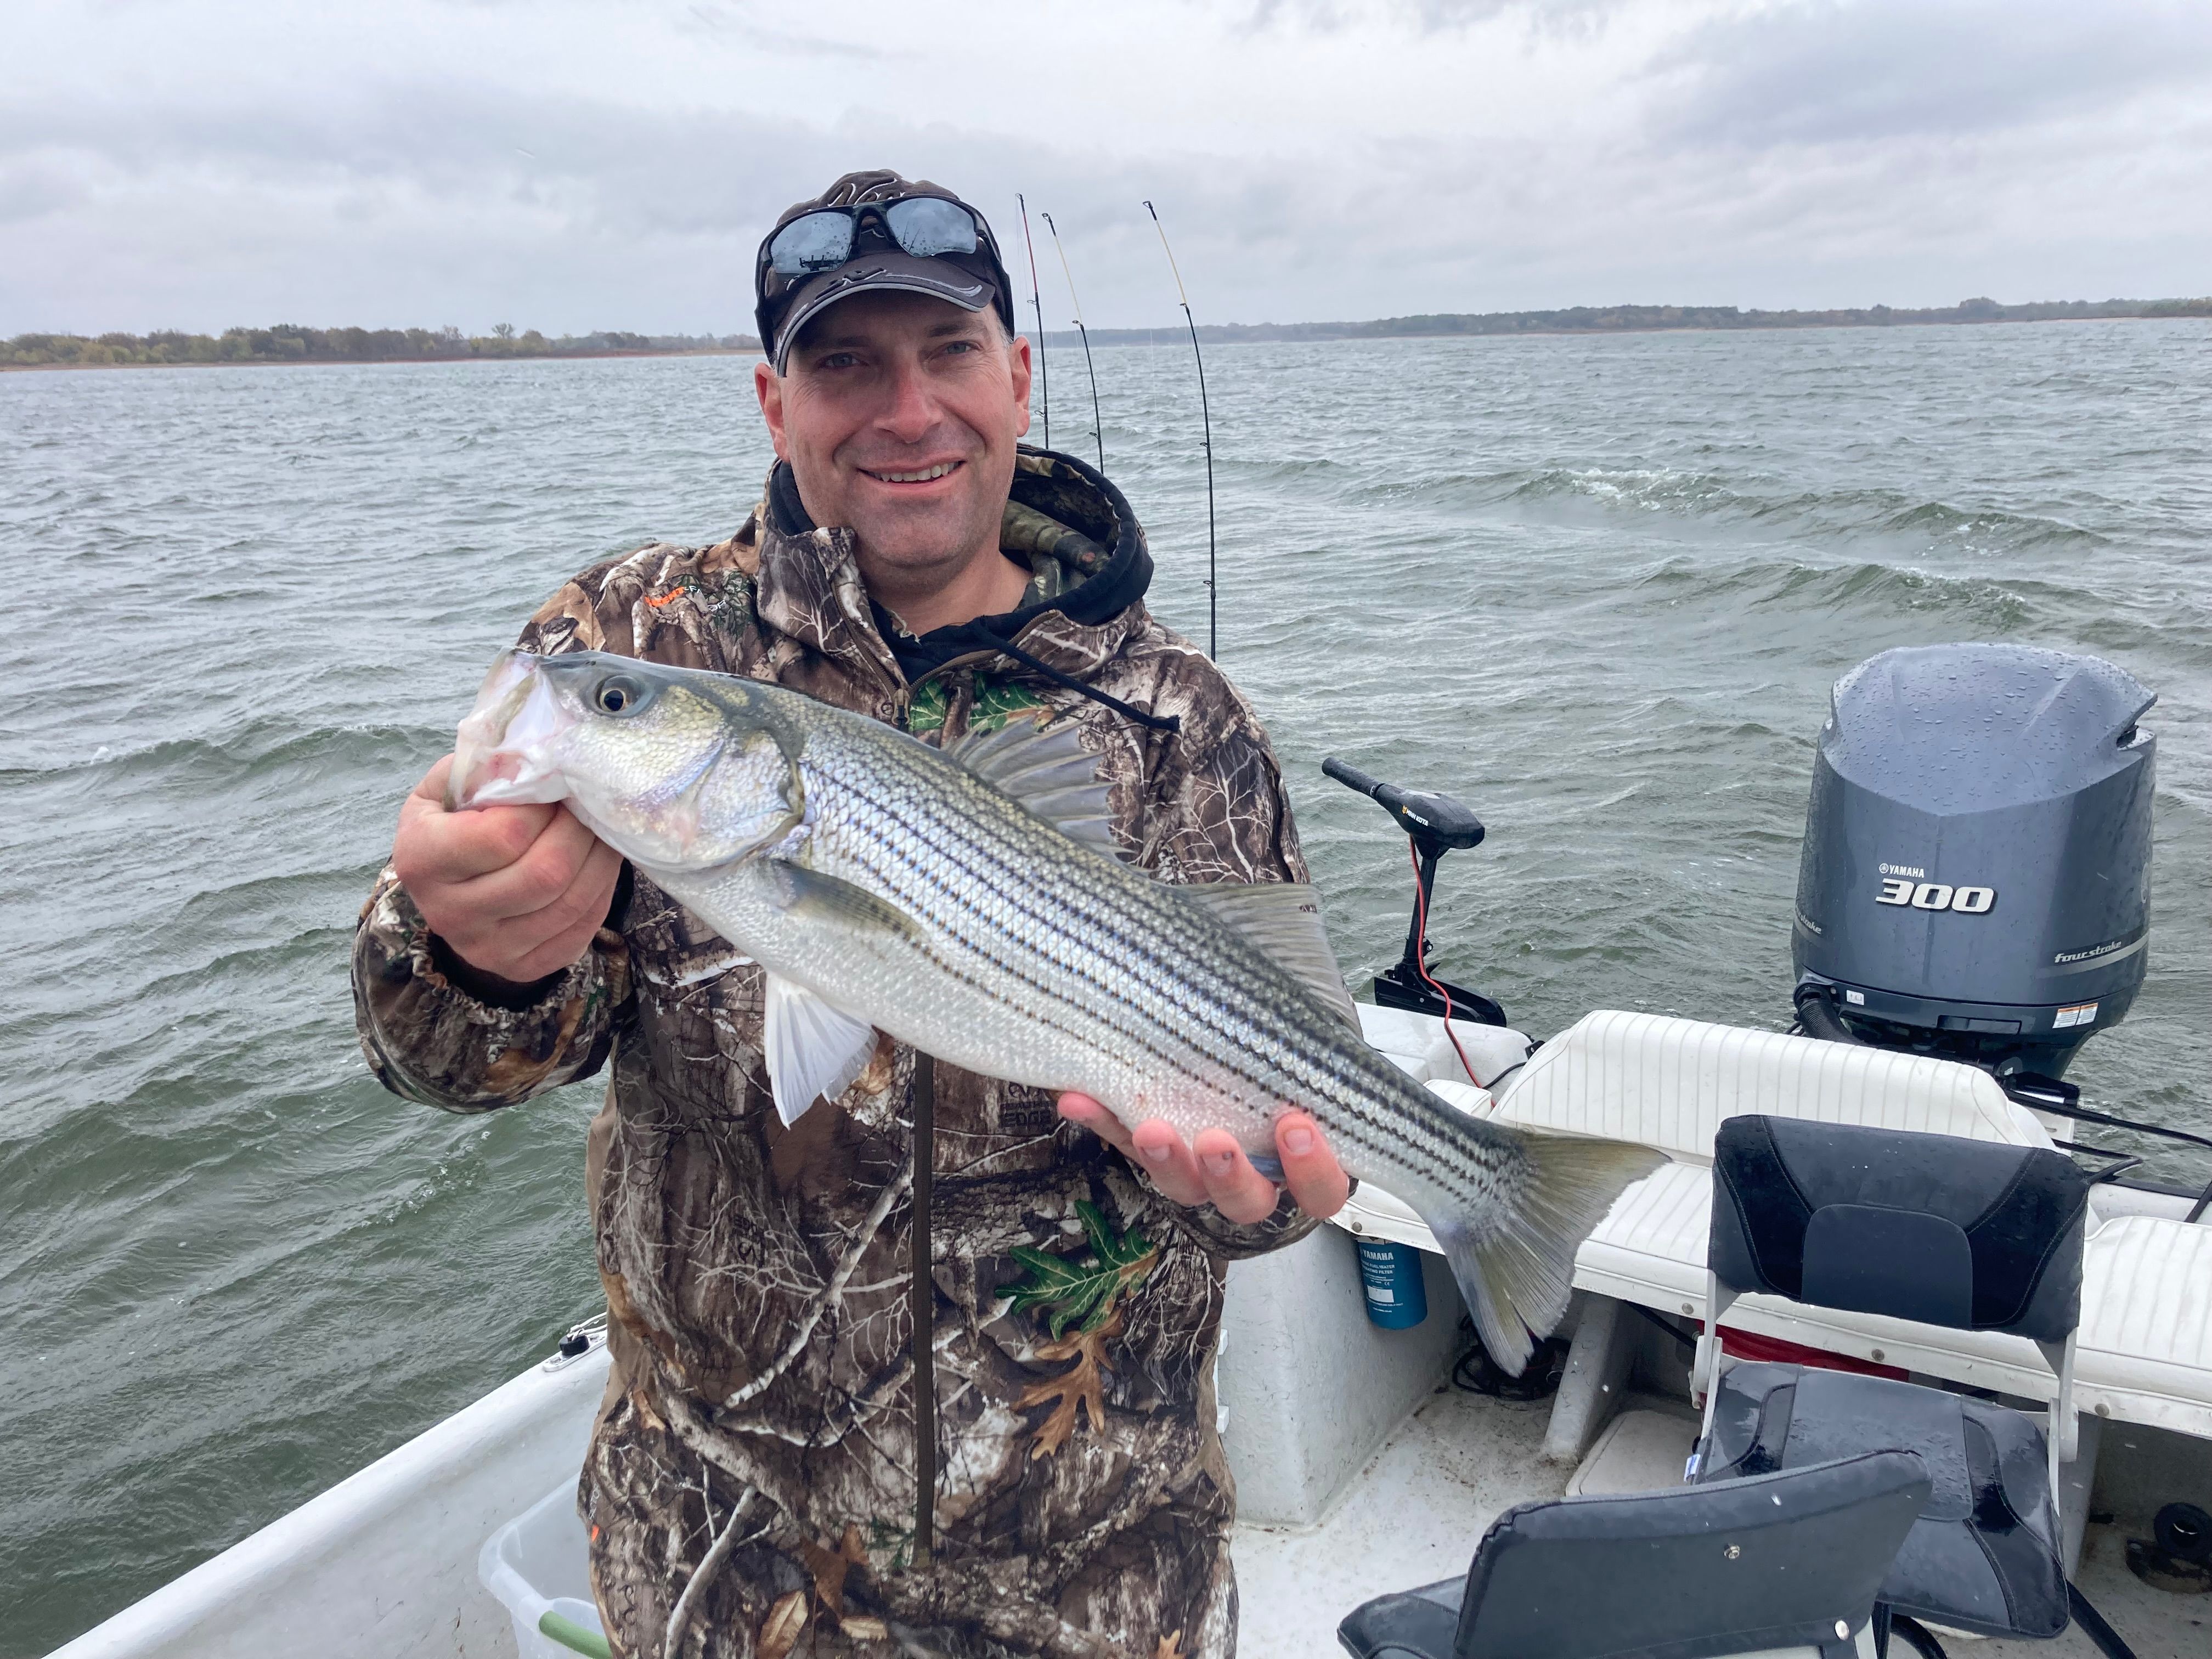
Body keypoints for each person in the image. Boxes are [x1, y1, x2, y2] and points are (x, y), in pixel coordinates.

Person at [353, 169, 1349, 1659]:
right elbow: (435, 1058)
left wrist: (1258, 1195)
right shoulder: (631, 644)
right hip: (728, 1573)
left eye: (947, 354)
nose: (907, 412)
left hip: (1103, 1581)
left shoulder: (1181, 720)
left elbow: (1263, 1138)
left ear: (1017, 377)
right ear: (772, 402)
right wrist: (469, 963)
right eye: (844, 364)